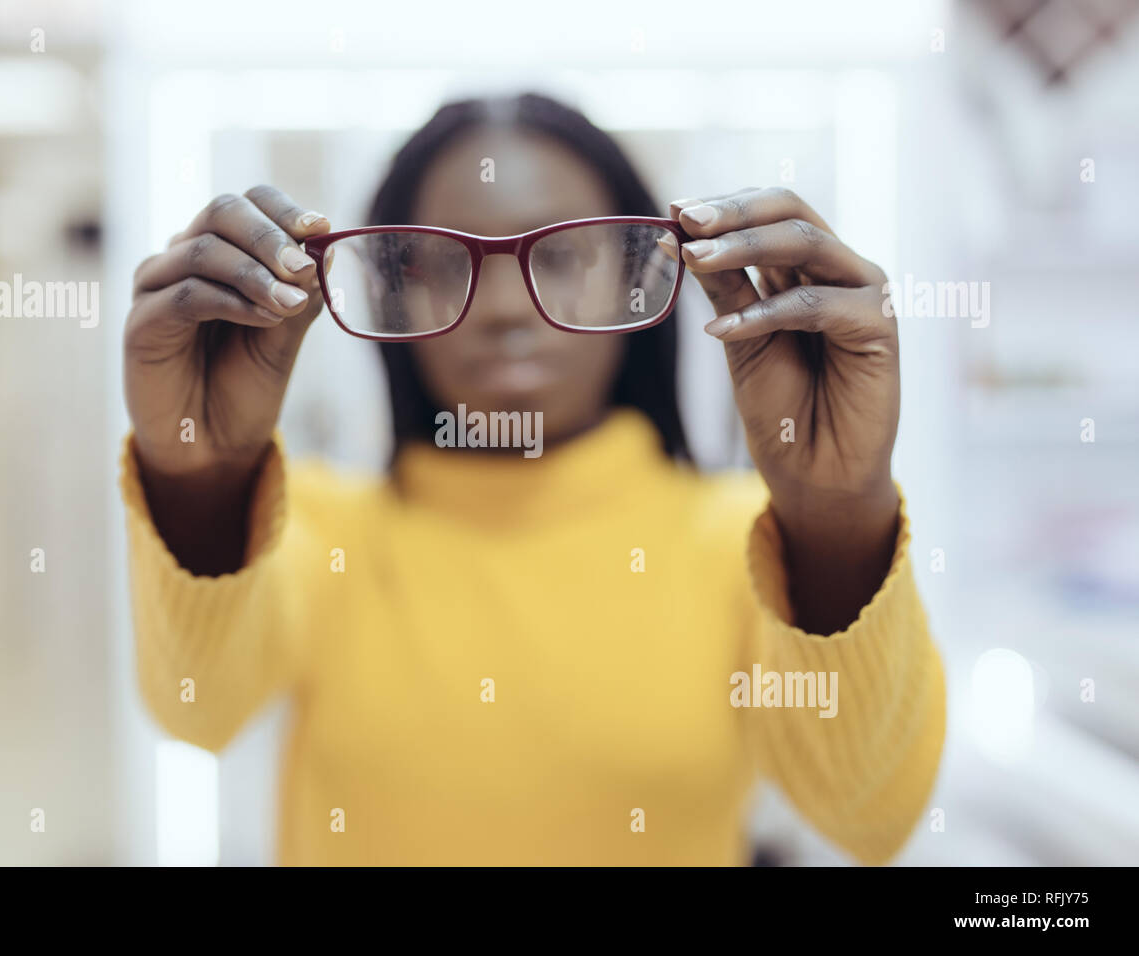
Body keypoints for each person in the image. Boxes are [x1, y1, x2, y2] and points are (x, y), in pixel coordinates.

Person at [119, 92, 945, 865]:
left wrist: (834, 513)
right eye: (442, 262)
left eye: (561, 255)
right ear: (388, 294)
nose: (508, 308)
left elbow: (869, 815)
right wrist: (202, 473)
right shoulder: (321, 530)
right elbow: (196, 709)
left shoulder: (742, 542)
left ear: (646, 274)